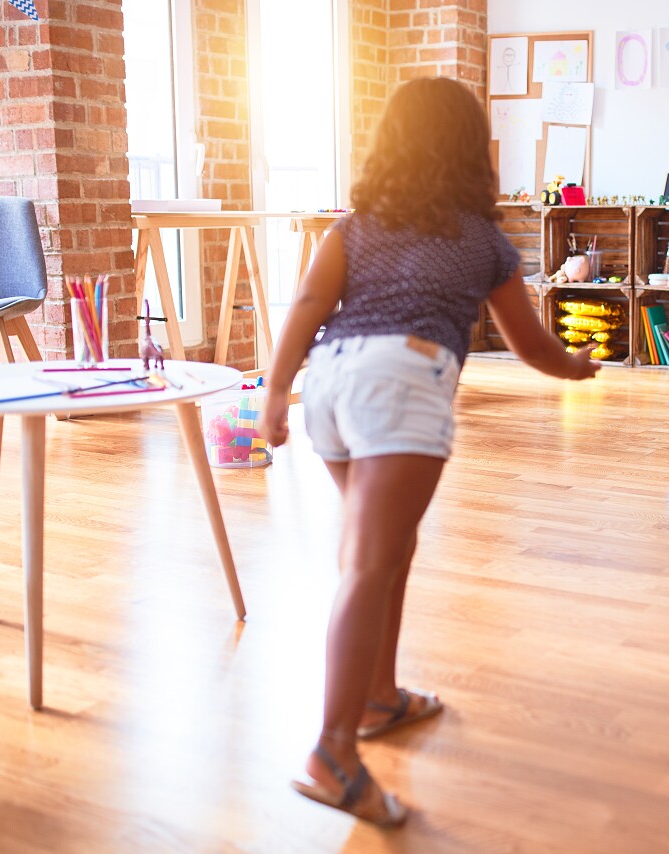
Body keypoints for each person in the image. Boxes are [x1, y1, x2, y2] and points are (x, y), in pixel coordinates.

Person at [258, 77, 600, 827]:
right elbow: (529, 344)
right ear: (471, 153)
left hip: (330, 384)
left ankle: (378, 698)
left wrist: (276, 391)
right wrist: (575, 368)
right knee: (368, 563)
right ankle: (332, 753)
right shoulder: (483, 242)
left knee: (391, 548)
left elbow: (309, 305)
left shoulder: (357, 227)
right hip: (402, 380)